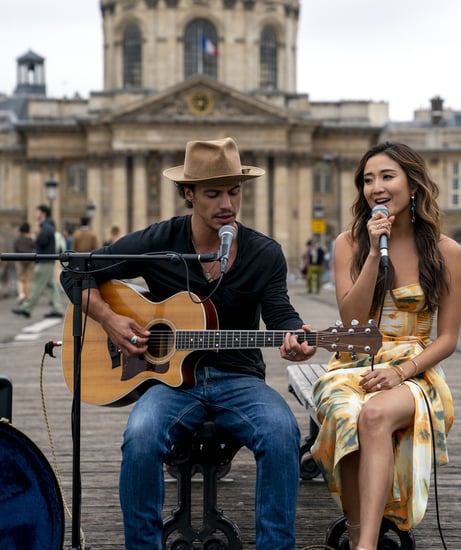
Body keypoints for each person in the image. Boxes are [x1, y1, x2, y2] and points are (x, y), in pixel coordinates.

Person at [60, 137, 317, 550]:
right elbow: (76, 272)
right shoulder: (160, 241)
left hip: (240, 378)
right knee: (140, 437)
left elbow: (281, 314)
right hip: (170, 383)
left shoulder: (264, 253)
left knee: (281, 432)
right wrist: (110, 321)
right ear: (188, 194)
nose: (226, 203)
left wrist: (298, 337)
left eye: (233, 191)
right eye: (213, 193)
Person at [310, 142, 461, 550]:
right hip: (353, 362)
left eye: (386, 176)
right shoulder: (349, 243)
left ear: (412, 185)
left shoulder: (446, 252)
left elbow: (447, 338)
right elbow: (350, 321)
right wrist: (373, 257)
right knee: (346, 413)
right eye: (367, 179)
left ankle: (363, 546)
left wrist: (400, 371)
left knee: (376, 416)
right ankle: (364, 536)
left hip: (415, 370)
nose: (375, 187)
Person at [12, 205, 65, 319]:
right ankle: (57, 309)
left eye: (37, 212)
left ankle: (27, 308)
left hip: (44, 260)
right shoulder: (48, 225)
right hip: (47, 259)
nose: (35, 214)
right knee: (51, 286)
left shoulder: (46, 226)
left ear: (43, 213)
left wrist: (36, 236)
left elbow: (43, 240)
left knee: (36, 285)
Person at [13, 221, 36, 303]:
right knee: (28, 279)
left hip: (20, 260)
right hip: (30, 260)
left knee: (20, 279)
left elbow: (15, 248)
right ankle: (28, 296)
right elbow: (35, 246)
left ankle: (21, 294)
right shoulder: (30, 239)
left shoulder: (18, 239)